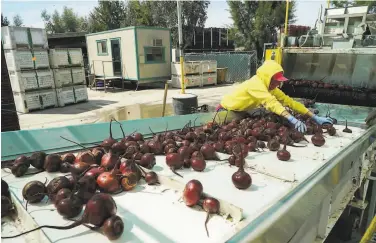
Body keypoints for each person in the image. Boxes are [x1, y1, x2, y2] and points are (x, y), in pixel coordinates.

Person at [216, 60, 333, 133]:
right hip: (226, 111)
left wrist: (314, 117)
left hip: (240, 111)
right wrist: (291, 118)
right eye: (276, 81)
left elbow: (289, 102)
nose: (278, 84)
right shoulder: (255, 84)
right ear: (267, 77)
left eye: (279, 81)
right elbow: (270, 102)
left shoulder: (271, 87)